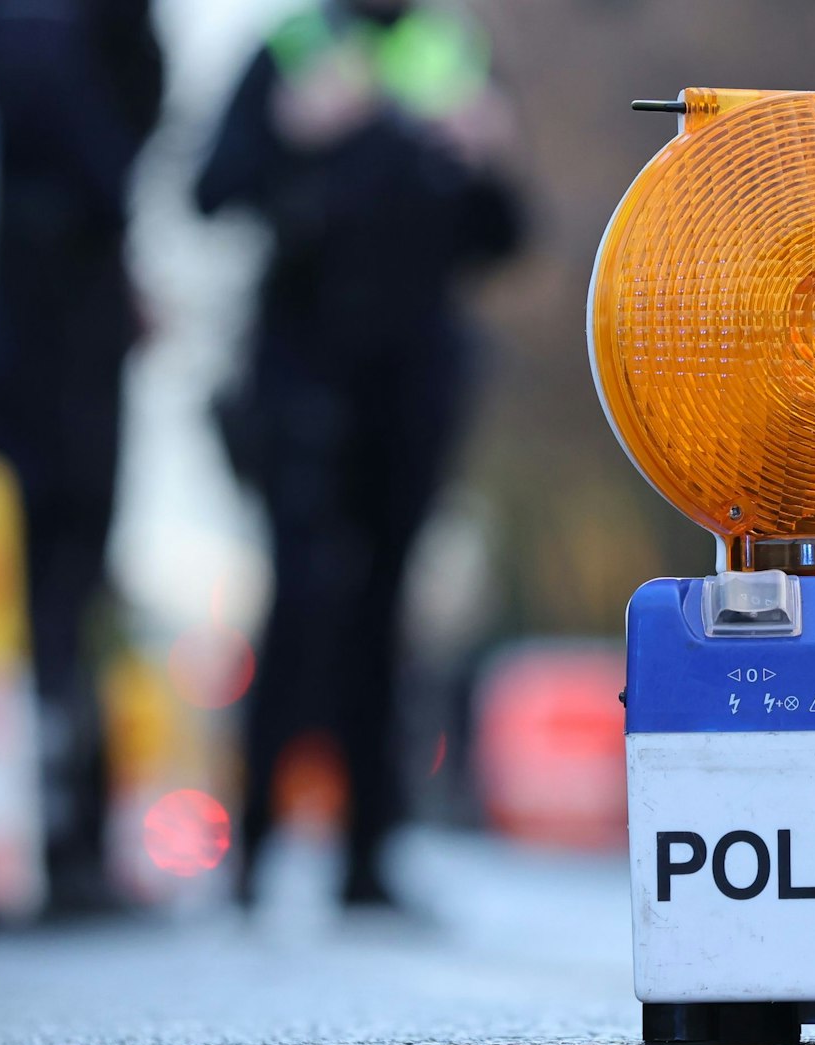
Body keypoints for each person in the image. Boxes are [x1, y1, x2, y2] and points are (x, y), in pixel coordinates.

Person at [195, 0, 522, 912]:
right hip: (302, 376)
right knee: (301, 603)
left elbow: (504, 235)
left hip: (412, 384)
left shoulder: (453, 56)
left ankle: (367, 859)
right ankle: (254, 848)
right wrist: (294, 135)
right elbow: (212, 190)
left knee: (384, 612)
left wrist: (484, 156)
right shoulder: (291, 51)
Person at [0, 0, 163, 911]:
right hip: (42, 309)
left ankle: (52, 828)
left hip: (41, 294)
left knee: (51, 582)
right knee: (46, 578)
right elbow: (95, 120)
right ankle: (51, 834)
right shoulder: (47, 29)